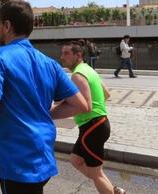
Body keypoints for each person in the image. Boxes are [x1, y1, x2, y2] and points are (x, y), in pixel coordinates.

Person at [0, 0, 88, 194]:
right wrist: (44, 113)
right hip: (43, 155)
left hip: (17, 162)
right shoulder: (50, 63)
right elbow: (81, 105)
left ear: (7, 26)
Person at [52, 42, 126, 194]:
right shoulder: (88, 70)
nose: (62, 57)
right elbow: (106, 93)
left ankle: (113, 191)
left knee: (96, 173)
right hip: (97, 124)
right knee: (76, 160)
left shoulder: (78, 76)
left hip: (92, 127)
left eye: (66, 53)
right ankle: (114, 190)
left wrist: (55, 111)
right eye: (62, 53)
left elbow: (85, 106)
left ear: (78, 55)